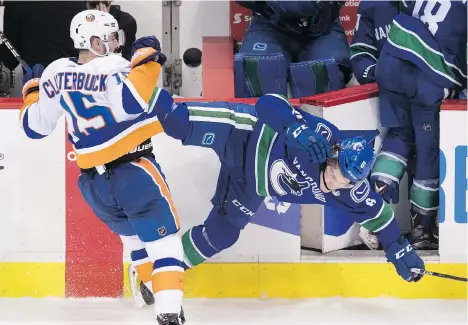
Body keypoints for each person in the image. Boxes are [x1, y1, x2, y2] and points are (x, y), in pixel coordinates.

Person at [132, 90, 425, 307]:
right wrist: (294, 129)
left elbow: (380, 215)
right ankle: (130, 88)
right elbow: (268, 102)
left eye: (346, 180)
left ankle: (158, 271)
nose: (337, 181)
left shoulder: (351, 191)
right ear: (334, 153)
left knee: (221, 234)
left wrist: (399, 250)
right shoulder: (319, 137)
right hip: (241, 134)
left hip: (249, 183)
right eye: (337, 171)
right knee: (176, 121)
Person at [18, 9, 197, 325]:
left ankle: (160, 294)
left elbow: (33, 127)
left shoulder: (57, 71)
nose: (117, 44)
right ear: (94, 41)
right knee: (167, 245)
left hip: (94, 186)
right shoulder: (115, 66)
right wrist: (150, 60)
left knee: (135, 243)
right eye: (111, 38)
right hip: (133, 172)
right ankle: (171, 321)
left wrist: (32, 89)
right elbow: (132, 101)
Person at [369, 0, 467, 249]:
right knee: (427, 152)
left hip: (391, 64)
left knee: (399, 137)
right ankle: (422, 229)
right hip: (427, 78)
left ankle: (370, 218)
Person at [349, 1, 401, 250]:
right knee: (400, 142)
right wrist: (376, 74)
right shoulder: (373, 5)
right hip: (396, 96)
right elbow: (360, 52)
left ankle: (427, 223)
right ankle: (374, 220)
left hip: (433, 93)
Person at [234, 1, 351, 98]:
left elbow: (307, 5)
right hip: (270, 25)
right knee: (258, 70)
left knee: (326, 74)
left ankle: (313, 126)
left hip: (322, 29)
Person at [0, 1, 86, 70]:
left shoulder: (15, 3)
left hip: (38, 85)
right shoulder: (79, 3)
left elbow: (10, 60)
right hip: (75, 82)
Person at [350, 1, 400, 85]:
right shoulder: (370, 4)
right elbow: (361, 52)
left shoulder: (425, 5)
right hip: (387, 88)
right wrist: (377, 74)